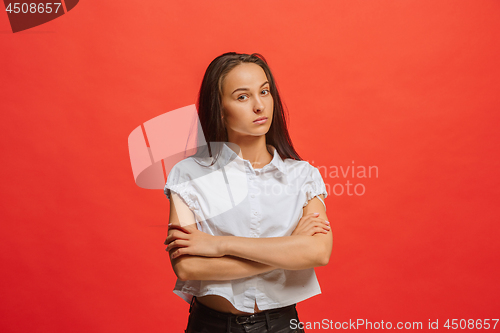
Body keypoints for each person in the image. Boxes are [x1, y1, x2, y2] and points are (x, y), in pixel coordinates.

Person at [164, 52, 332, 333]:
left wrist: (220, 246)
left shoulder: (303, 176)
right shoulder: (188, 175)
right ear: (219, 108)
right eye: (242, 97)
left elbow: (318, 252)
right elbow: (188, 267)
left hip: (282, 326)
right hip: (210, 326)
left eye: (264, 92)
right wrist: (286, 251)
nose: (259, 105)